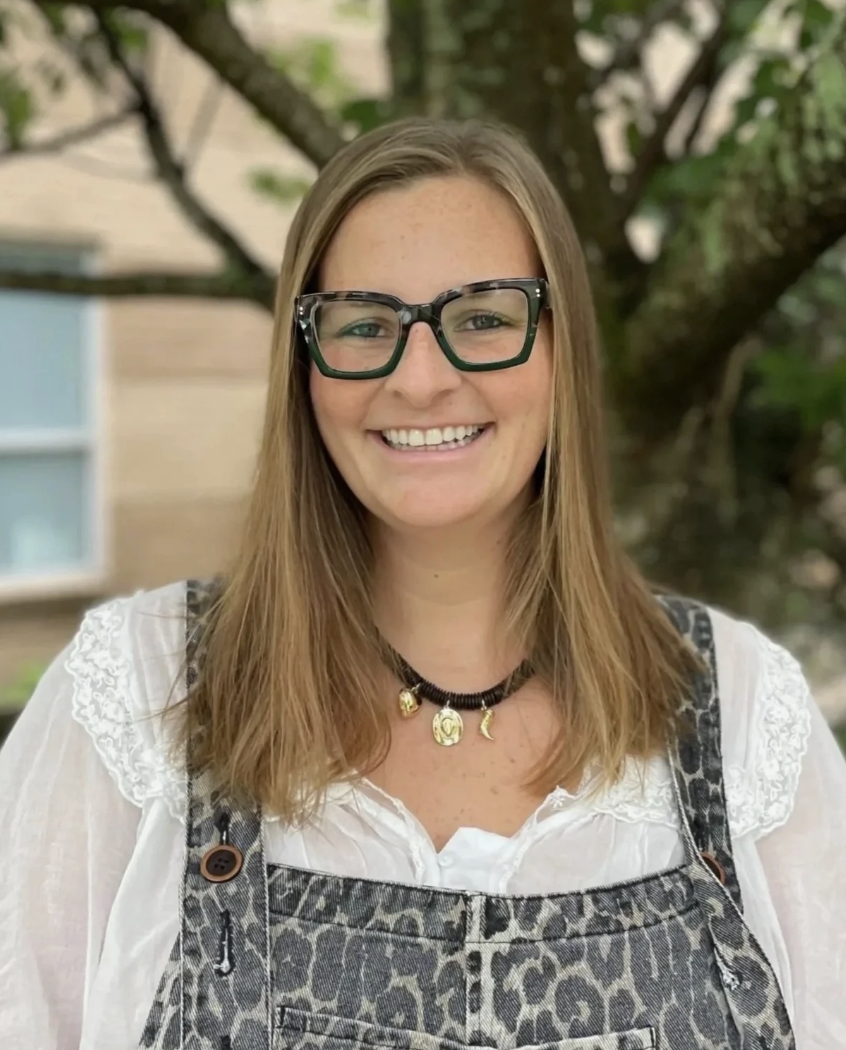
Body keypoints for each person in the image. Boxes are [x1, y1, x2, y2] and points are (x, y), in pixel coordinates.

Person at [1, 117, 844, 1050]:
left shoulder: (740, 713)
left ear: (563, 349)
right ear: (305, 367)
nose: (421, 378)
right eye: (364, 325)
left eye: (483, 317)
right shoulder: (140, 697)